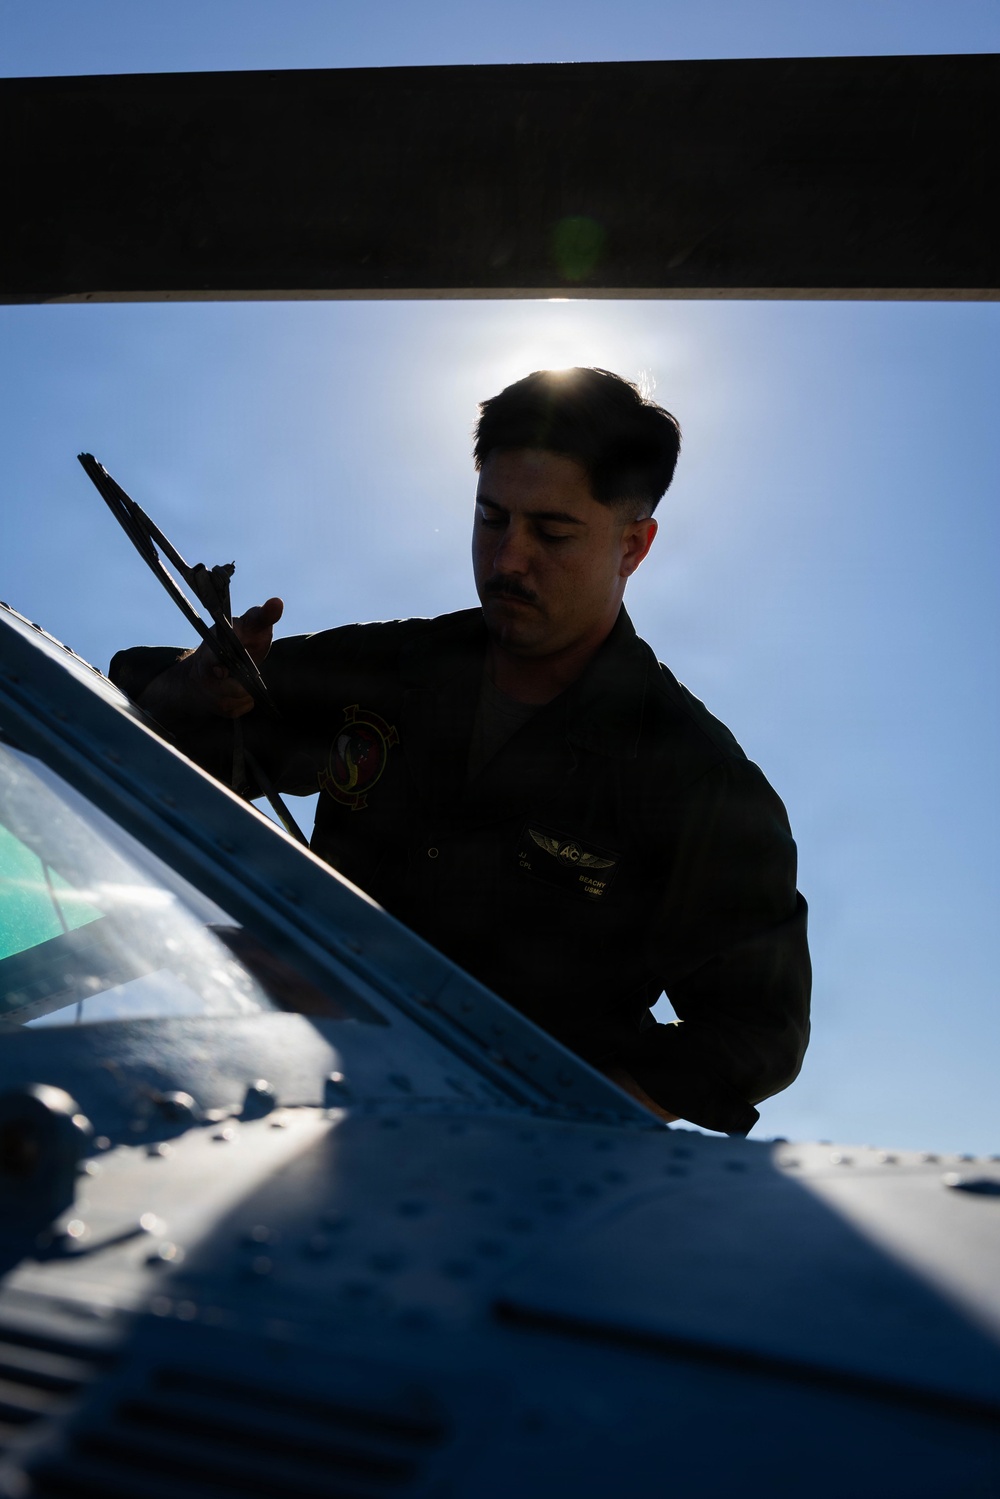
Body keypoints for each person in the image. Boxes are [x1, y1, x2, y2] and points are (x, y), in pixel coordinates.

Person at [111, 367, 810, 1135]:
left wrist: (555, 1117)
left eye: (552, 533)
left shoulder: (698, 779)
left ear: (633, 545)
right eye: (491, 518)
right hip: (295, 1109)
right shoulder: (385, 669)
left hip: (501, 1165)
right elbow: (164, 713)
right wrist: (197, 684)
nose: (508, 559)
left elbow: (758, 1031)